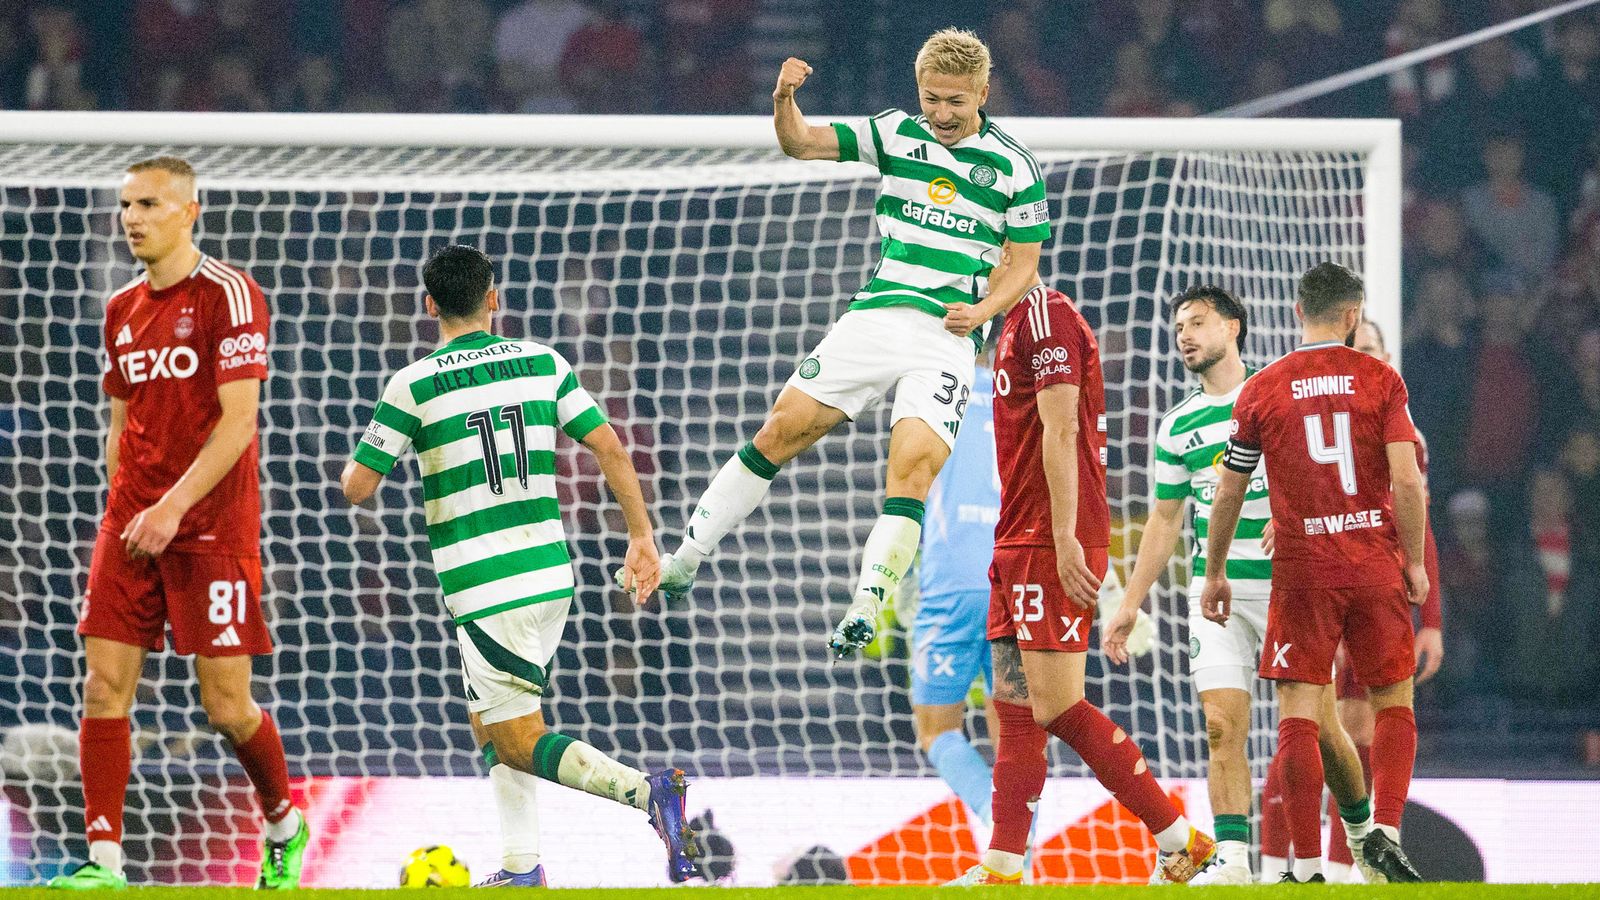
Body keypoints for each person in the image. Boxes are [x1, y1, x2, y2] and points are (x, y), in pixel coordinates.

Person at [633, 29, 1050, 660]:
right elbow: (801, 142)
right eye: (931, 98)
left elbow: (1024, 265)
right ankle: (686, 560)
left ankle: (867, 605)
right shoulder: (894, 133)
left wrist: (984, 311)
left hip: (947, 336)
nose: (941, 113)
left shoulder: (1015, 167)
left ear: (983, 94)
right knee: (779, 431)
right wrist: (783, 100)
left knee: (912, 470)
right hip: (875, 319)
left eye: (955, 102)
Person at [340, 245, 701, 886]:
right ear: (493, 299)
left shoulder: (413, 385)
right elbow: (610, 447)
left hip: (487, 586)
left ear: (429, 306)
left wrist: (384, 445)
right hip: (550, 573)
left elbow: (358, 487)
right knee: (489, 719)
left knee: (517, 738)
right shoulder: (544, 363)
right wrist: (641, 536)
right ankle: (520, 866)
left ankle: (651, 794)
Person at [52, 156, 307, 889]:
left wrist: (172, 508)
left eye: (149, 204)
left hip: (211, 528)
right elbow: (121, 422)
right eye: (126, 205)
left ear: (190, 211)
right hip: (133, 526)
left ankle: (283, 823)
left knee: (225, 707)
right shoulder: (120, 309)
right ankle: (104, 863)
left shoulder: (230, 293)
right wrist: (126, 507)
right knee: (103, 688)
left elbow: (239, 423)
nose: (131, 218)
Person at [951, 285, 1216, 886]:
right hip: (1015, 535)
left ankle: (1180, 840)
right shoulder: (1009, 325)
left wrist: (1065, 533)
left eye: (986, 248)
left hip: (1049, 538)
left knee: (1059, 707)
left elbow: (1064, 426)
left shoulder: (1046, 314)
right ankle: (1003, 863)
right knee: (1015, 708)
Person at [1203, 262, 1424, 884]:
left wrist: (1215, 571)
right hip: (1373, 562)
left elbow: (1229, 490)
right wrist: (1413, 560)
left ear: (1299, 311)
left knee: (1299, 713)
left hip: (1302, 570)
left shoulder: (1262, 388)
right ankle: (1385, 835)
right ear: (1353, 315)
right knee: (1393, 701)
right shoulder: (1381, 379)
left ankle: (1303, 867)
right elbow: (1407, 481)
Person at [1257, 317, 1446, 883]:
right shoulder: (1311, 414)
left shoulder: (1403, 431)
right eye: (1355, 348)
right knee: (1312, 722)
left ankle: (1346, 867)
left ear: (1386, 356)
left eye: (1371, 349)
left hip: (1373, 587)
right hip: (1323, 581)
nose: (1364, 358)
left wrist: (1431, 618)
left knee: (1351, 727)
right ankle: (1283, 864)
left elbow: (1419, 520)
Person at [1103, 285, 1265, 885]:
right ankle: (1234, 861)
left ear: (1233, 326)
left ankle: (1358, 837)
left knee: (1318, 729)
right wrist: (1129, 603)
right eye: (1178, 329)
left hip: (1290, 586)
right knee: (1221, 726)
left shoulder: (1271, 396)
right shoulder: (1177, 425)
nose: (1185, 337)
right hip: (1214, 593)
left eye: (1197, 323)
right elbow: (1166, 520)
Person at [911, 357, 999, 827]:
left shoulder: (932, 389)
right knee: (1017, 738)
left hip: (953, 582)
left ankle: (994, 815)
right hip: (1014, 578)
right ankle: (1019, 850)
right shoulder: (1023, 392)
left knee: (937, 729)